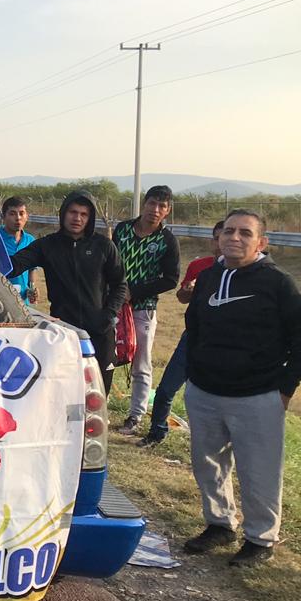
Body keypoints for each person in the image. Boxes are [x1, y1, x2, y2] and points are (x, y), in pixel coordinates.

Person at [181, 209, 301, 567]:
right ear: (219, 237)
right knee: (208, 465)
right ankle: (220, 523)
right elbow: (193, 326)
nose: (234, 238)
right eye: (228, 231)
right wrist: (194, 375)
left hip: (258, 395)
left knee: (259, 470)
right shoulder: (208, 277)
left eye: (244, 233)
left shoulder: (277, 283)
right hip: (206, 391)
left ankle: (261, 538)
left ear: (261, 242)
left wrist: (286, 388)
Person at [8, 190, 127, 391]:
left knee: (97, 395)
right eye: (73, 212)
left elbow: (120, 284)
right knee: (65, 393)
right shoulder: (47, 245)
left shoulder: (103, 245)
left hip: (100, 334)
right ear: (63, 213)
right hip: (65, 334)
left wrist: (108, 315)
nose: (77, 218)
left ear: (90, 218)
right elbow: (13, 265)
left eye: (83, 214)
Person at [138, 220, 223, 447]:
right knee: (166, 389)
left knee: (212, 398)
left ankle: (211, 443)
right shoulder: (199, 266)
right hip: (193, 336)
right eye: (217, 238)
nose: (221, 243)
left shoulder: (243, 275)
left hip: (223, 344)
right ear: (212, 241)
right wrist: (188, 291)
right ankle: (156, 432)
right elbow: (181, 297)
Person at [113, 185, 181, 435]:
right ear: (144, 204)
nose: (155, 210)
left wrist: (136, 291)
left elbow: (171, 279)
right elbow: (111, 262)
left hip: (143, 309)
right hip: (114, 305)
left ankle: (135, 415)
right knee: (107, 356)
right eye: (152, 203)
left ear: (167, 211)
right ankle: (97, 406)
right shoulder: (123, 230)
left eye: (162, 206)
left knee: (141, 362)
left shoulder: (166, 240)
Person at [0, 196, 38, 303]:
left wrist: (31, 289)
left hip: (22, 303)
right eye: (12, 214)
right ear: (2, 216)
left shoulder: (30, 240)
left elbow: (32, 269)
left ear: (27, 216)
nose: (18, 218)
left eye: (21, 213)